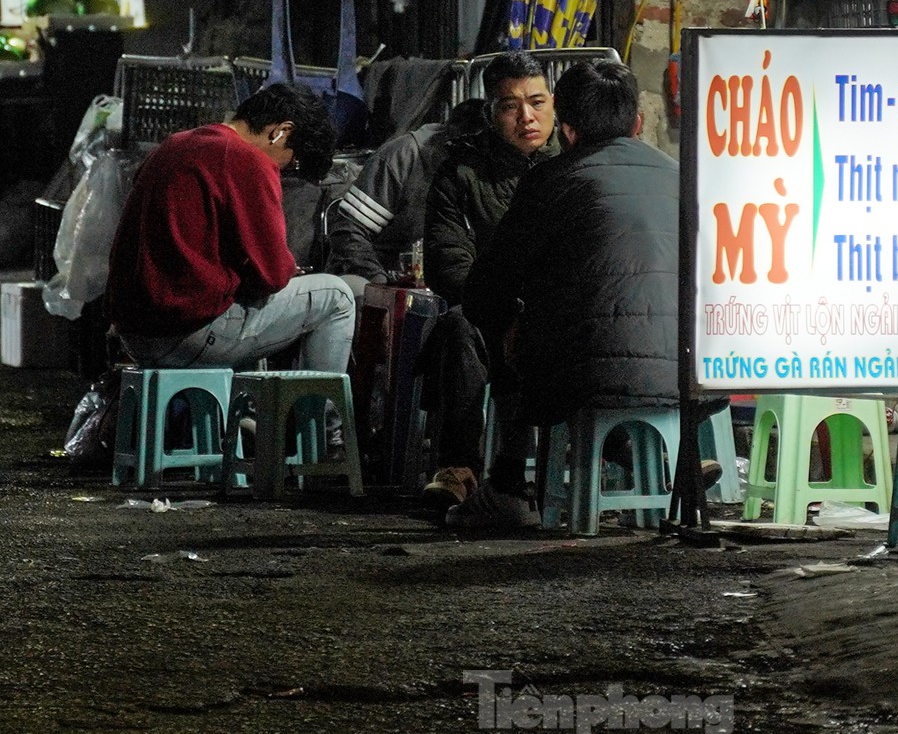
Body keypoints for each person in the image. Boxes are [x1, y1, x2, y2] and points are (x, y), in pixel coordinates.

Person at [445, 59, 680, 531]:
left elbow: (486, 291)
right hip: (688, 371)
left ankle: (508, 487)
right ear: (637, 123)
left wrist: (512, 323)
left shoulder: (550, 180)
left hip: (576, 374)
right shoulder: (680, 175)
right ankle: (673, 468)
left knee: (525, 345)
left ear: (567, 130)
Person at [105, 83, 355, 374]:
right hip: (186, 333)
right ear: (281, 132)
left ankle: (244, 414)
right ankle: (323, 418)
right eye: (294, 161)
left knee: (250, 303)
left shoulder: (175, 144)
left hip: (134, 334)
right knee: (337, 295)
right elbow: (273, 274)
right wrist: (286, 270)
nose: (286, 170)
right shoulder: (247, 159)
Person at [415, 53, 560, 507]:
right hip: (491, 315)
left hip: (558, 315)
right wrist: (506, 311)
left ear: (554, 105)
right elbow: (448, 260)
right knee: (458, 326)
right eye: (510, 106)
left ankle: (644, 453)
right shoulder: (462, 172)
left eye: (537, 102)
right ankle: (459, 469)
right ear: (490, 113)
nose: (527, 117)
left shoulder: (575, 167)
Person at [327, 100, 488, 290]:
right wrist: (380, 283)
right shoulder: (404, 156)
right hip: (388, 279)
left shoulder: (500, 165)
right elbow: (350, 232)